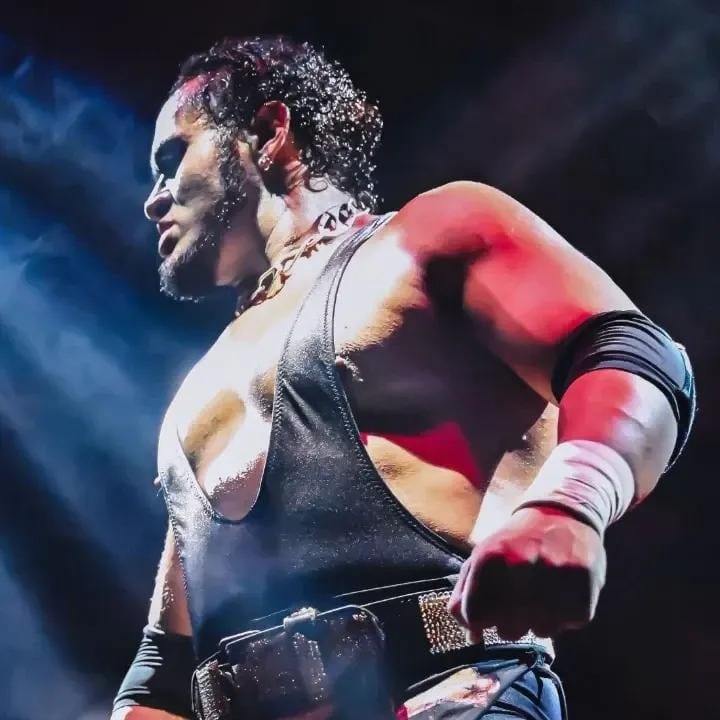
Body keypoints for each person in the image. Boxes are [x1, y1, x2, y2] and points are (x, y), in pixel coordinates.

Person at [111, 36, 695, 720]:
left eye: (172, 159)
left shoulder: (424, 239)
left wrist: (571, 504)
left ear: (269, 133)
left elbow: (632, 353)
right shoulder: (193, 393)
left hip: (455, 698)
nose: (152, 200)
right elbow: (166, 663)